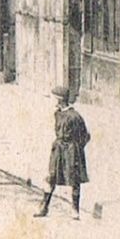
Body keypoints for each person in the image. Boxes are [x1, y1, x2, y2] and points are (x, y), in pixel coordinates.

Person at [35, 85, 90, 219]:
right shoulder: (58, 114)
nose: (52, 101)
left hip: (71, 150)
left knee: (74, 179)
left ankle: (75, 210)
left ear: (60, 100)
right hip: (58, 149)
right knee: (51, 176)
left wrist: (76, 148)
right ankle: (44, 207)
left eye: (54, 99)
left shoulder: (75, 116)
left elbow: (86, 135)